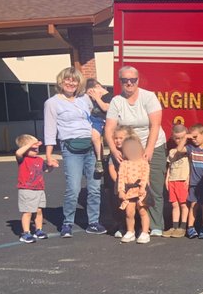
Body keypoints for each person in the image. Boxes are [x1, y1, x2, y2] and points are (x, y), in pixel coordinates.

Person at [104, 66, 168, 236]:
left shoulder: (149, 97)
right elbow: (109, 128)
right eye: (125, 80)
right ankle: (125, 226)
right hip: (127, 149)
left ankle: (155, 225)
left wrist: (149, 149)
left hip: (152, 144)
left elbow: (155, 125)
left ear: (138, 80)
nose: (129, 83)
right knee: (123, 186)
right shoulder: (117, 101)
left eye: (133, 79)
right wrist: (113, 150)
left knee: (153, 186)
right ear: (120, 81)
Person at [43, 66, 104, 237]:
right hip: (70, 148)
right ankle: (67, 223)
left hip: (91, 147)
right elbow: (49, 130)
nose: (71, 83)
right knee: (73, 188)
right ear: (60, 81)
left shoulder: (84, 99)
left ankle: (93, 222)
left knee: (94, 188)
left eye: (74, 80)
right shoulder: (52, 103)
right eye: (67, 79)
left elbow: (95, 114)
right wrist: (48, 155)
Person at [14, 134, 49, 243]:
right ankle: (26, 233)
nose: (36, 150)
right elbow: (18, 152)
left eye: (37, 148)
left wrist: (52, 165)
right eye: (33, 148)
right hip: (27, 189)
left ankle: (38, 230)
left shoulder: (39, 160)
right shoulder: (22, 159)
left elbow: (46, 170)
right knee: (28, 212)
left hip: (39, 189)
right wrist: (30, 144)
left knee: (39, 210)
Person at [117, 136, 151, 244]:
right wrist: (121, 190)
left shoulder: (143, 162)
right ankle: (130, 231)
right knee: (129, 212)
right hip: (129, 191)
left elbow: (145, 176)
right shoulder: (124, 164)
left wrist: (142, 187)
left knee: (142, 211)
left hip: (140, 190)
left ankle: (145, 232)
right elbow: (121, 178)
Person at [185, 124, 203, 239]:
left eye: (195, 137)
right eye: (191, 138)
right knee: (193, 205)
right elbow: (179, 149)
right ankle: (190, 227)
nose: (193, 140)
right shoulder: (192, 149)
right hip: (194, 183)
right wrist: (185, 137)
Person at [106, 126, 134, 238]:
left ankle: (138, 227)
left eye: (121, 138)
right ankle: (122, 227)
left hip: (132, 184)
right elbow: (111, 168)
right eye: (116, 138)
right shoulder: (114, 153)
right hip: (120, 185)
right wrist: (118, 182)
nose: (118, 141)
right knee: (121, 206)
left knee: (135, 207)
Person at [164, 124, 191, 238]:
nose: (179, 140)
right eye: (177, 138)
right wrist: (167, 179)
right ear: (173, 137)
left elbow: (191, 166)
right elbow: (170, 166)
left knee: (183, 204)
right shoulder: (171, 151)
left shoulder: (187, 150)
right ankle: (174, 227)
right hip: (172, 180)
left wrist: (188, 178)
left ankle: (182, 227)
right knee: (174, 205)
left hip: (182, 180)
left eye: (182, 138)